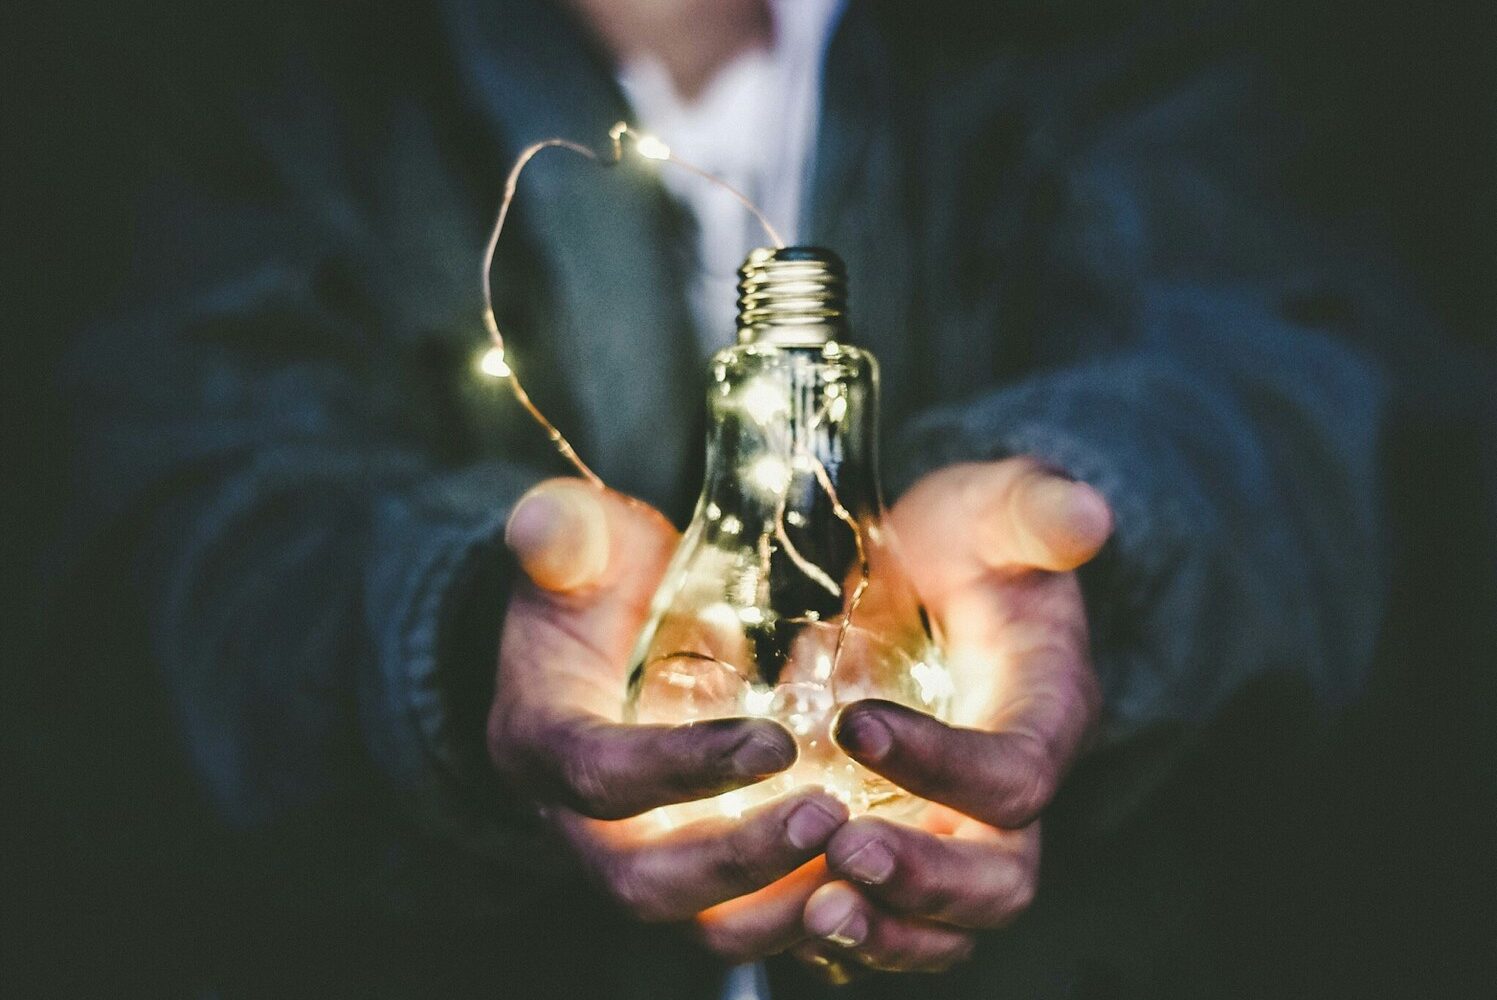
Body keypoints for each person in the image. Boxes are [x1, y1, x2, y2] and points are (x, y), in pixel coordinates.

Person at [49, 0, 1419, 995]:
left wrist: (1088, 544)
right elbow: (163, 506)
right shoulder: (284, 74)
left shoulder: (1098, 45)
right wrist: (460, 645)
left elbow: (1294, 371)